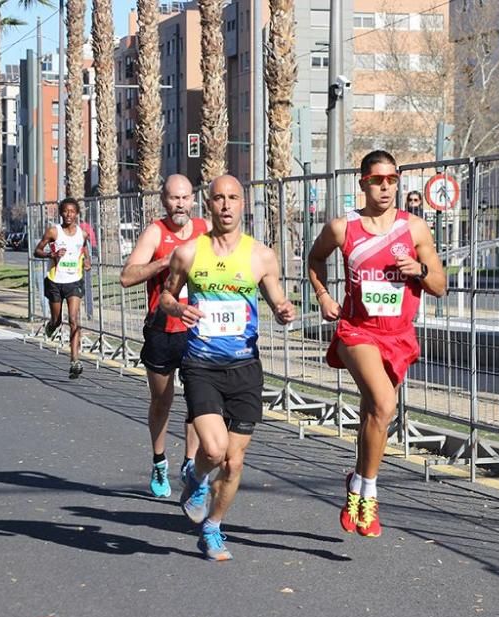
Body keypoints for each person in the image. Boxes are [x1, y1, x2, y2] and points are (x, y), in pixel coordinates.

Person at [307, 150, 446, 538]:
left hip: (398, 335)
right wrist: (323, 297)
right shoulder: (343, 228)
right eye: (377, 180)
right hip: (357, 331)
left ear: (398, 181)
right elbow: (315, 259)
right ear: (363, 183)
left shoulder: (414, 229)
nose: (385, 187)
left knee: (376, 415)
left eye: (391, 180)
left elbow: (439, 285)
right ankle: (369, 494)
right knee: (385, 404)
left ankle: (356, 480)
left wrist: (418, 270)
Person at [160, 174, 296, 561]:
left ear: (242, 204)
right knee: (216, 450)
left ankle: (213, 528)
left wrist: (285, 311)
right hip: (201, 364)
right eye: (218, 198)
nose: (225, 205)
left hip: (245, 368)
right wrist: (178, 307)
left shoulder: (261, 256)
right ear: (209, 204)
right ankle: (197, 476)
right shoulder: (188, 253)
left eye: (233, 198)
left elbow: (279, 303)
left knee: (234, 463)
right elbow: (166, 298)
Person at [120, 174, 207, 498]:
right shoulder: (155, 232)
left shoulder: (204, 232)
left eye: (185, 197)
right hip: (161, 330)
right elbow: (127, 277)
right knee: (162, 401)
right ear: (164, 200)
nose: (179, 204)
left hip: (197, 330)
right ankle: (159, 461)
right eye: (173, 198)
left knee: (199, 401)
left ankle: (188, 464)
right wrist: (163, 262)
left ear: (193, 200)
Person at [33, 197, 91, 379]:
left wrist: (87, 261)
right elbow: (37, 250)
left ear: (77, 214)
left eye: (72, 212)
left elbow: (84, 251)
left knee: (74, 319)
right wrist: (52, 253)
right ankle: (51, 326)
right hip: (55, 281)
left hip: (74, 281)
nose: (68, 215)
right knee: (57, 320)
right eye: (65, 211)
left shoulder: (83, 234)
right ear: (61, 213)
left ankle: (75, 361)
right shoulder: (54, 231)